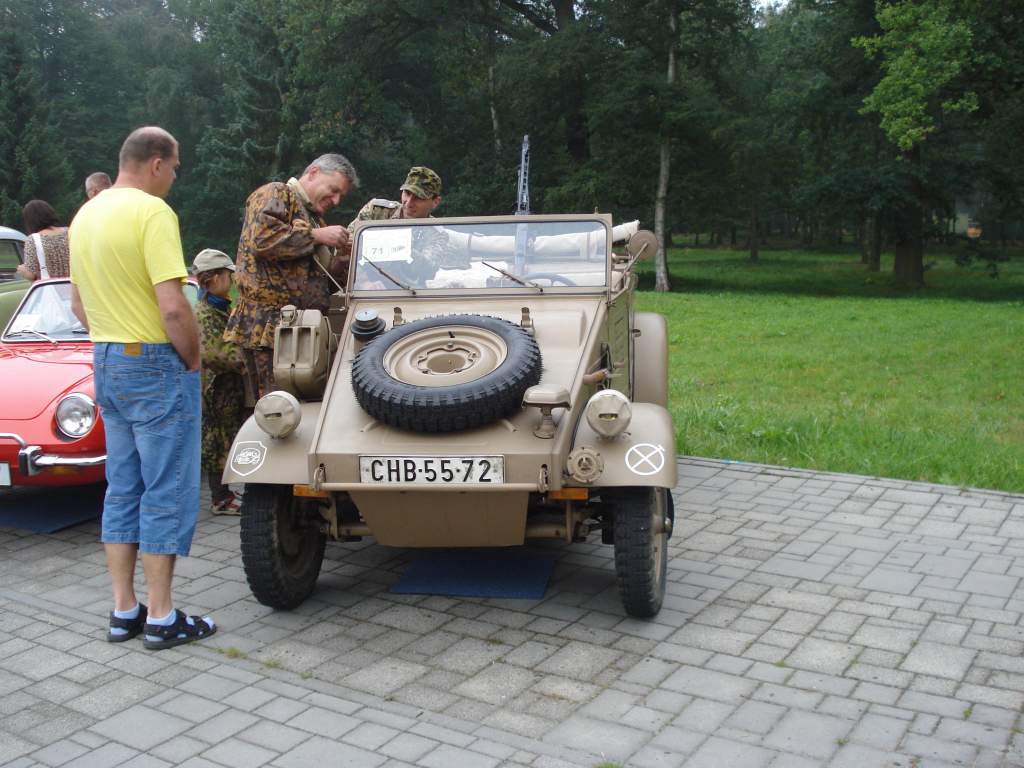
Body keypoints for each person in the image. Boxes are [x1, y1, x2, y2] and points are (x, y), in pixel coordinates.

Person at [69, 126, 215, 651]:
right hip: (154, 361)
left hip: (106, 357)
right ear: (156, 163)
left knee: (123, 486)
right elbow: (174, 306)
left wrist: (112, 337)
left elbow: (77, 306)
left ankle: (122, 609)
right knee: (167, 487)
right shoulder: (152, 213)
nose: (174, 178)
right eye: (175, 168)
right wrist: (193, 360)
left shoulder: (86, 214)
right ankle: (161, 615)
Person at [224, 153, 358, 399]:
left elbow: (313, 283)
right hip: (271, 329)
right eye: (333, 190)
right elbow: (262, 240)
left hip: (303, 331)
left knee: (301, 408)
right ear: (314, 173)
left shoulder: (314, 218)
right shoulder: (276, 193)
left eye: (341, 195)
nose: (336, 200)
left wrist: (339, 263)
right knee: (277, 409)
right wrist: (317, 237)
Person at [192, 248, 247, 515]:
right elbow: (215, 353)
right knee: (217, 441)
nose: (231, 281)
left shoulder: (220, 307)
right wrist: (247, 358)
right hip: (215, 390)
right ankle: (221, 499)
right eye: (227, 275)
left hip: (227, 388)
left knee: (226, 437)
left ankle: (226, 493)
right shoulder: (204, 313)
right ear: (212, 278)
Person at [349, 166, 443, 226]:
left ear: (435, 202)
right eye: (407, 193)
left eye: (418, 197)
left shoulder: (437, 233)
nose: (409, 203)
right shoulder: (376, 211)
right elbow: (345, 246)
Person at [15, 200, 70, 281]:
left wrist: (22, 270)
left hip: (50, 289)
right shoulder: (70, 231)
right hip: (74, 286)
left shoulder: (33, 240)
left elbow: (31, 274)